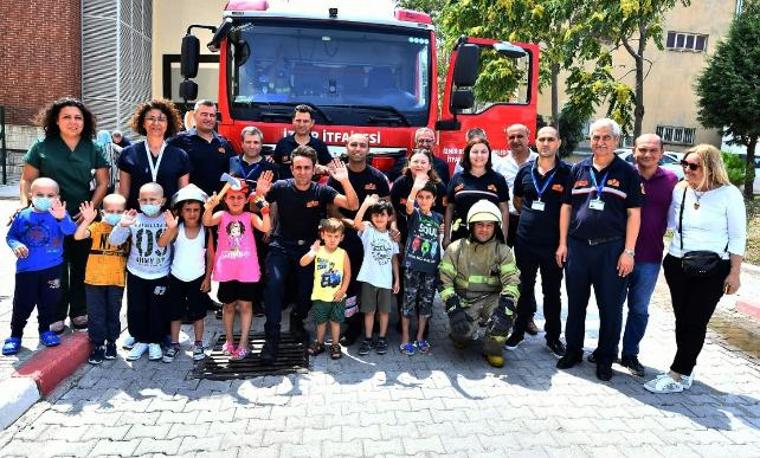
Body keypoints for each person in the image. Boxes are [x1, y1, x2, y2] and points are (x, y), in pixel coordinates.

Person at [644, 145, 746, 393]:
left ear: (711, 167)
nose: (687, 170)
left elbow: (737, 236)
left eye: (694, 166)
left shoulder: (729, 194)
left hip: (713, 268)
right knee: (682, 320)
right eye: (685, 165)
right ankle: (685, 368)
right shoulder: (681, 190)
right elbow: (668, 221)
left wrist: (735, 272)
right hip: (677, 263)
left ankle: (678, 374)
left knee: (695, 320)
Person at [555, 118, 642, 381]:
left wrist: (629, 251)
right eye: (595, 137)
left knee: (611, 308)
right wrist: (562, 243)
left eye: (606, 138)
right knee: (576, 303)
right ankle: (573, 351)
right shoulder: (577, 169)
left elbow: (634, 214)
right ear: (589, 140)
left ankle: (605, 358)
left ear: (616, 140)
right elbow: (567, 208)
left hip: (611, 250)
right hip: (578, 248)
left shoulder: (627, 172)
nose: (600, 142)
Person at [20, 98, 110, 334]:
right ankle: (54, 314)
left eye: (78, 117)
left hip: (81, 218)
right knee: (54, 267)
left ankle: (80, 311)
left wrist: (90, 209)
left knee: (81, 265)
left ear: (85, 121)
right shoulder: (41, 147)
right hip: (47, 219)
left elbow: (104, 182)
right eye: (67, 117)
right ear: (56, 121)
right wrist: (26, 208)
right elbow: (27, 180)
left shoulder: (93, 148)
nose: (73, 122)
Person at [262, 147, 358, 364]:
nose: (302, 172)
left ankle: (298, 319)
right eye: (298, 167)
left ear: (314, 169)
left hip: (310, 249)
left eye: (307, 168)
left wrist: (344, 180)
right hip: (281, 246)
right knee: (274, 286)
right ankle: (272, 340)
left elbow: (353, 204)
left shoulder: (321, 191)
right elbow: (254, 204)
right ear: (292, 168)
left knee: (306, 294)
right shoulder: (280, 187)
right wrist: (259, 195)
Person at [504, 126, 572, 357]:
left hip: (553, 243)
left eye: (550, 139)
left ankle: (553, 337)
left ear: (558, 143)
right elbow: (518, 200)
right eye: (541, 139)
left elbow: (568, 208)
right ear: (535, 142)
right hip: (526, 241)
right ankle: (519, 331)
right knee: (524, 288)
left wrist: (563, 243)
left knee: (552, 292)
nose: (545, 143)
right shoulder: (525, 171)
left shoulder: (567, 173)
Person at [618, 134, 678, 377]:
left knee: (639, 309)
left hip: (650, 257)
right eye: (642, 149)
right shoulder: (623, 175)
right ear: (634, 150)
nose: (648, 154)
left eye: (653, 150)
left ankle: (630, 354)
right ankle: (607, 349)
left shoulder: (672, 180)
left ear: (662, 153)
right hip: (619, 254)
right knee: (612, 306)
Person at [439, 199, 520, 368]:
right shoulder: (456, 249)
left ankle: (493, 349)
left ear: (496, 227)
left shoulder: (503, 251)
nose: (484, 230)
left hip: (492, 299)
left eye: (489, 225)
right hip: (465, 301)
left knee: (503, 319)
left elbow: (512, 281)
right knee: (461, 335)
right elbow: (443, 280)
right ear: (471, 226)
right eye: (480, 225)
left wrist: (507, 306)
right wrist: (453, 308)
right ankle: (460, 335)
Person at [327, 133, 391, 344]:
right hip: (348, 237)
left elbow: (388, 209)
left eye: (362, 145)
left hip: (372, 239)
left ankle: (371, 322)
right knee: (351, 282)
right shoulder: (337, 176)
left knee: (370, 281)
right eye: (353, 144)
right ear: (346, 148)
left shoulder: (378, 177)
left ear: (368, 150)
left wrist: (393, 229)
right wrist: (351, 224)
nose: (357, 148)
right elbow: (331, 209)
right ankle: (352, 325)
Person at [203, 173, 273, 361]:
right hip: (227, 270)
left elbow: (266, 228)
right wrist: (208, 208)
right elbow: (207, 221)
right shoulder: (221, 215)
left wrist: (265, 211)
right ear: (225, 199)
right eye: (231, 197)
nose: (235, 201)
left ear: (245, 199)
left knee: (245, 305)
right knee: (228, 307)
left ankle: (243, 342)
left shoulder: (250, 216)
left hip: (247, 271)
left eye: (240, 197)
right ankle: (229, 340)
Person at [3, 178, 76, 356]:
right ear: (31, 195)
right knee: (22, 304)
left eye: (50, 195)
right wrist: (15, 245)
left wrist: (62, 218)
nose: (45, 198)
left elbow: (70, 231)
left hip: (53, 269)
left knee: (49, 303)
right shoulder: (22, 216)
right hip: (27, 271)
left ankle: (45, 330)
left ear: (57, 197)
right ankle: (15, 335)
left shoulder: (59, 214)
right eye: (40, 195)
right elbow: (11, 236)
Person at [109, 183, 172, 362]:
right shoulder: (134, 218)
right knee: (136, 308)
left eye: (153, 200)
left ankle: (154, 340)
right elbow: (114, 241)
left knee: (157, 308)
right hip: (136, 272)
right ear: (138, 201)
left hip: (160, 273)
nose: (148, 203)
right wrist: (122, 225)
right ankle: (140, 338)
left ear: (162, 201)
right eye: (144, 200)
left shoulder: (168, 219)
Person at [161, 184, 215, 363]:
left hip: (198, 278)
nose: (192, 213)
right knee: (175, 313)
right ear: (181, 211)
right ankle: (175, 343)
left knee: (198, 314)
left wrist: (208, 277)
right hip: (176, 276)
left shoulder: (206, 230)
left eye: (196, 210)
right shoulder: (177, 228)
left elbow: (210, 254)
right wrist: (170, 227)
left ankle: (198, 343)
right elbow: (162, 243)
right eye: (188, 210)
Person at [230, 126, 280, 313]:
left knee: (257, 261)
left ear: (261, 144)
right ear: (242, 143)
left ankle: (255, 301)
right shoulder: (231, 162)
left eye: (256, 142)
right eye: (248, 142)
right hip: (234, 223)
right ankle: (231, 300)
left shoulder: (270, 168)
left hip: (259, 222)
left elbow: (274, 201)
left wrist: (271, 227)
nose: (252, 146)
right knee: (233, 260)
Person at [73, 195, 129, 364]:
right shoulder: (97, 227)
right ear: (103, 212)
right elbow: (78, 236)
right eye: (110, 211)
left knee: (113, 312)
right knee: (96, 314)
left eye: (119, 211)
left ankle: (111, 342)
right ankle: (98, 345)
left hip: (116, 279)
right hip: (94, 279)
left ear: (125, 212)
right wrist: (87, 220)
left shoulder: (127, 229)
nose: (114, 214)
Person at [118, 99, 191, 211]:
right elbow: (123, 194)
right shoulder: (128, 153)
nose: (156, 123)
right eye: (151, 119)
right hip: (135, 221)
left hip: (168, 221)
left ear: (168, 124)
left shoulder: (180, 156)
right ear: (143, 123)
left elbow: (183, 195)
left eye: (161, 119)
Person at [399, 178, 442, 356]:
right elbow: (408, 205)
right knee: (408, 303)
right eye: (421, 197)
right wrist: (415, 187)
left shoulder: (438, 218)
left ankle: (420, 338)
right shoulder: (414, 214)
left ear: (434, 199)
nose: (424, 200)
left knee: (426, 304)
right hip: (412, 266)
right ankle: (405, 339)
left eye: (428, 197)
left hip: (431, 268)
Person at [353, 196, 400, 356]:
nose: (379, 218)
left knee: (384, 312)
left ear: (389, 217)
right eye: (376, 215)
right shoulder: (368, 231)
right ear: (371, 217)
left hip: (386, 280)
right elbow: (356, 222)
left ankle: (382, 338)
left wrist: (397, 279)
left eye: (383, 215)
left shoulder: (392, 236)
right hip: (369, 278)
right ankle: (367, 338)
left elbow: (394, 259)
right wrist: (366, 204)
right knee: (369, 311)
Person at [300, 218, 351, 360]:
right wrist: (312, 251)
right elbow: (302, 263)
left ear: (341, 237)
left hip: (337, 296)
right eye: (329, 236)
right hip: (320, 296)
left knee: (336, 321)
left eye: (336, 236)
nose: (332, 239)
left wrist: (343, 290)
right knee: (320, 322)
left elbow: (348, 274)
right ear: (322, 235)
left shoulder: (342, 253)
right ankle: (319, 342)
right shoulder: (318, 251)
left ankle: (335, 344)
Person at [444, 138, 510, 247]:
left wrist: (504, 238)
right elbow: (450, 209)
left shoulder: (498, 179)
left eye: (483, 152)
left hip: (490, 238)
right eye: (475, 152)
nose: (479, 155)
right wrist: (446, 237)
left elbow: (504, 211)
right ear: (468, 154)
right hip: (461, 237)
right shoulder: (456, 178)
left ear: (489, 155)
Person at [168, 100, 236, 196]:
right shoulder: (178, 141)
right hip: (192, 205)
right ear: (194, 116)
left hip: (218, 204)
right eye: (204, 114)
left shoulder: (224, 143)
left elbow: (232, 173)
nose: (209, 118)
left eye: (212, 115)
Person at [493, 124, 538, 247]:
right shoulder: (499, 165)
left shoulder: (540, 162)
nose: (516, 140)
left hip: (532, 220)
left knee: (526, 263)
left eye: (520, 136)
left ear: (528, 137)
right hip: (507, 219)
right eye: (511, 137)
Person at [390, 150, 447, 244]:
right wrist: (393, 226)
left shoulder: (439, 186)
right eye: (415, 161)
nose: (419, 165)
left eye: (423, 162)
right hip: (404, 234)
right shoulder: (400, 183)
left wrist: (443, 225)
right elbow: (392, 208)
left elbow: (444, 212)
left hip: (429, 237)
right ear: (409, 164)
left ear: (429, 166)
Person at [272, 104, 332, 179]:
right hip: (287, 189)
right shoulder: (282, 144)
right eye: (298, 120)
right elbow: (274, 168)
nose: (301, 124)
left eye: (305, 121)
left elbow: (331, 170)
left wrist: (323, 169)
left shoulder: (320, 145)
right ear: (293, 121)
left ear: (312, 123)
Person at [96, 130, 122, 194]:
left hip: (99, 175)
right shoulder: (113, 146)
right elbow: (123, 152)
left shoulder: (96, 146)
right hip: (111, 174)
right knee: (110, 193)